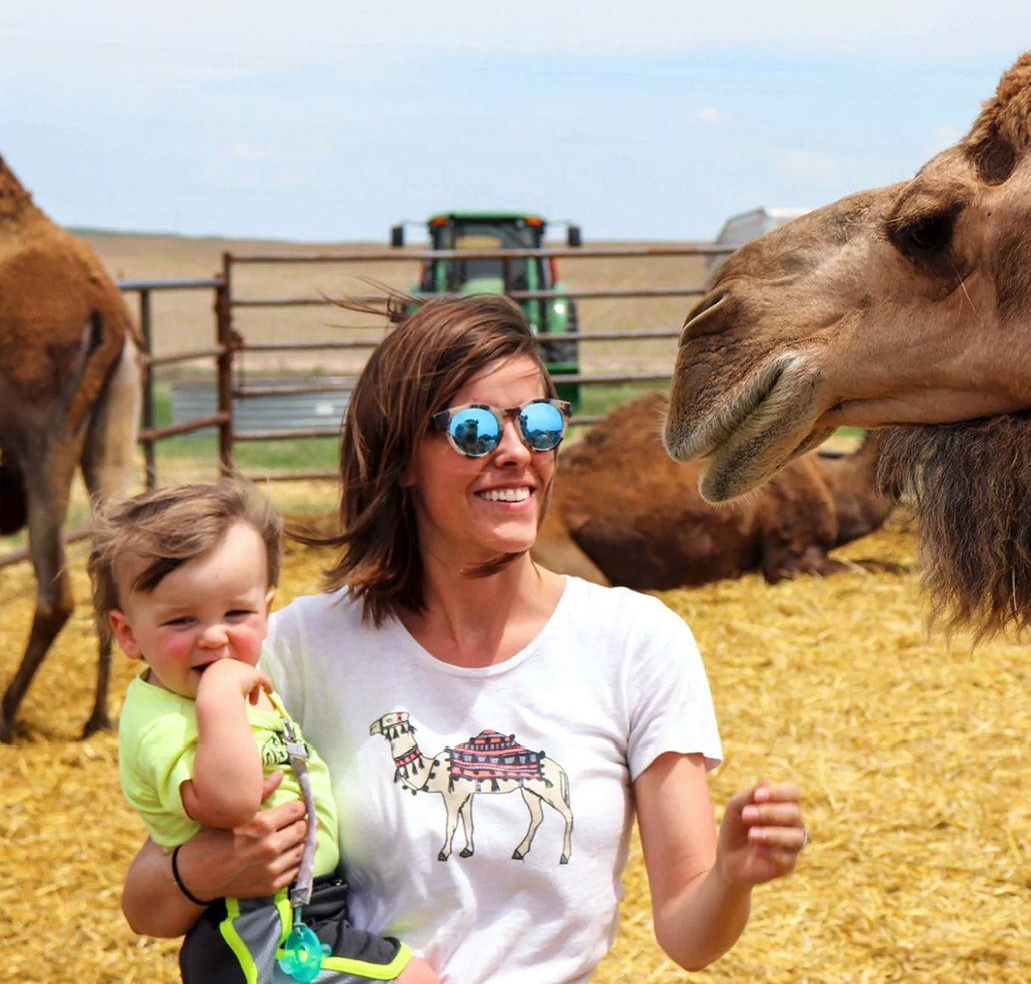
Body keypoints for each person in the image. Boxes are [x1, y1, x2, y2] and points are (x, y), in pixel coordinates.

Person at [121, 294, 808, 984]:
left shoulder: (637, 643)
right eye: (474, 430)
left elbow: (688, 933)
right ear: (402, 457)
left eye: (539, 423)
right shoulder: (299, 647)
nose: (517, 453)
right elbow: (148, 904)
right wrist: (206, 868)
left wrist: (730, 876)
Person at [95, 479, 437, 984]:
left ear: (266, 611)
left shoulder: (220, 689)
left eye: (237, 613)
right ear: (127, 633)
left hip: (298, 907)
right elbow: (231, 805)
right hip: (256, 922)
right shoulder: (164, 721)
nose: (214, 636)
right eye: (181, 620)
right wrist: (219, 697)